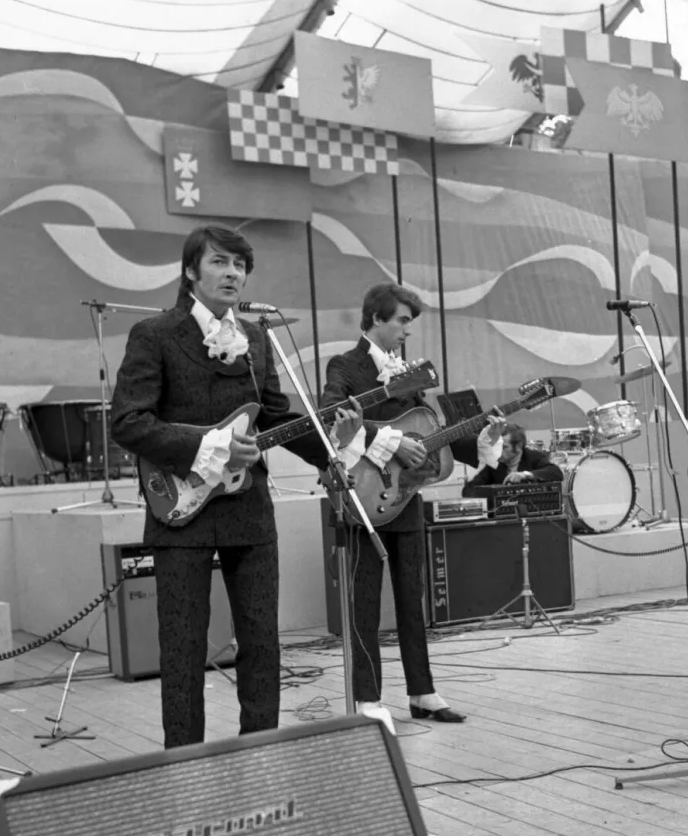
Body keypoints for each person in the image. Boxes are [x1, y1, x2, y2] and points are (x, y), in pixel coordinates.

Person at [110, 224, 361, 748]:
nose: (233, 274)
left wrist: (333, 443)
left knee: (262, 643)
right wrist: (210, 449)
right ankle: (185, 762)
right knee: (181, 648)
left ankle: (259, 751)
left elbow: (272, 418)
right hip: (181, 510)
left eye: (240, 266)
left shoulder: (256, 339)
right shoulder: (155, 335)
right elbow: (129, 423)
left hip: (248, 509)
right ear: (190, 271)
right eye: (221, 262)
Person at [320, 282, 504, 734]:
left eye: (409, 323)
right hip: (363, 498)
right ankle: (367, 698)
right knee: (365, 601)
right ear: (376, 319)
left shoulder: (409, 373)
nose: (407, 330)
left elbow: (429, 432)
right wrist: (393, 442)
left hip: (404, 499)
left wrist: (484, 438)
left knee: (412, 597)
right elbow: (333, 418)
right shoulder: (345, 366)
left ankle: (421, 692)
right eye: (402, 320)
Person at [462, 423, 563, 492]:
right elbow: (468, 490)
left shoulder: (533, 457)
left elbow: (556, 472)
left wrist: (526, 475)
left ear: (518, 446)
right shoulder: (495, 465)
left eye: (503, 447)